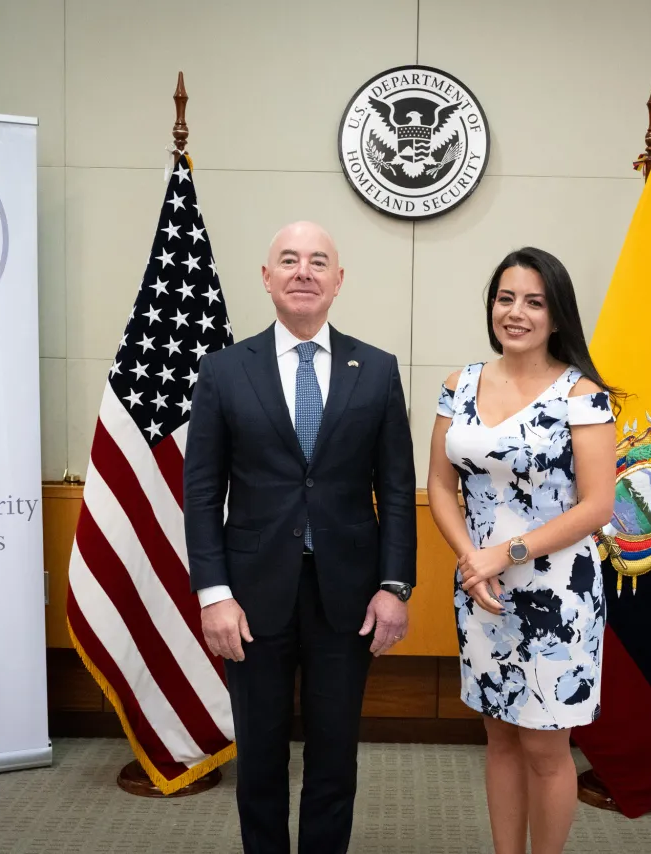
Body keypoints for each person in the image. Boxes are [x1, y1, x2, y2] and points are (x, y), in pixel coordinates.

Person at [183, 221, 416, 854]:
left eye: (319, 261)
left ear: (339, 281)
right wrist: (213, 593)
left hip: (348, 596)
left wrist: (396, 586)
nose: (304, 271)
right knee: (258, 756)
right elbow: (202, 493)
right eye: (289, 260)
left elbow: (396, 489)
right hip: (252, 597)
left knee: (335, 755)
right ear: (267, 278)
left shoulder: (378, 370)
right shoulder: (225, 371)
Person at [426, 247, 618, 854]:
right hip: (480, 588)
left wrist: (502, 553)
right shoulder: (459, 385)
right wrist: (469, 558)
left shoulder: (581, 394)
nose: (517, 313)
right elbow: (438, 483)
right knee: (500, 736)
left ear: (556, 315)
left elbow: (596, 507)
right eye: (506, 298)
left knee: (544, 746)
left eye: (534, 302)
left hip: (557, 593)